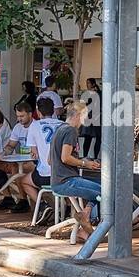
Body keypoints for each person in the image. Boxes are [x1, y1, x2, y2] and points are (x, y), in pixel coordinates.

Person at [50, 100, 102, 238]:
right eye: (85, 115)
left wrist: (80, 162)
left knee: (102, 186)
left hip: (58, 180)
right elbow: (65, 158)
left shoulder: (59, 129)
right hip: (67, 180)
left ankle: (85, 218)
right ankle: (87, 222)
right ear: (79, 114)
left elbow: (51, 160)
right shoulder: (70, 131)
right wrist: (85, 164)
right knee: (105, 192)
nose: (86, 120)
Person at [26, 96, 65, 222]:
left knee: (23, 181)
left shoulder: (35, 125)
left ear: (38, 111)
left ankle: (42, 205)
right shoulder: (64, 125)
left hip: (45, 175)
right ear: (53, 110)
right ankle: (65, 208)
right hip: (64, 174)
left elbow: (34, 153)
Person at [0, 102, 36, 212]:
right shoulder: (18, 127)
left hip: (35, 161)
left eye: (22, 116)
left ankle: (24, 201)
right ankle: (9, 197)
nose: (19, 119)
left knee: (16, 169)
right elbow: (11, 145)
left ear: (30, 114)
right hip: (22, 160)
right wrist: (4, 153)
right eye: (18, 116)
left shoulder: (36, 126)